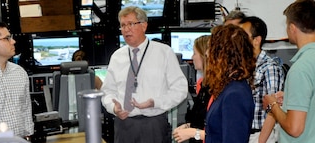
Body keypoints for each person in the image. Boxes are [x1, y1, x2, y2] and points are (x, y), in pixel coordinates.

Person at [101, 6, 188, 143]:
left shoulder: (164, 53)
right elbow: (107, 91)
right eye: (123, 25)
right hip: (123, 125)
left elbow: (180, 89)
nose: (126, 29)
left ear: (144, 25)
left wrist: (155, 102)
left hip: (153, 124)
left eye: (130, 24)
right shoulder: (117, 56)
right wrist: (113, 107)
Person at [263, 0, 315, 142]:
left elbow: (295, 128)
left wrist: (273, 105)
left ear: (292, 27)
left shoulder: (301, 68)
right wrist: (290, 98)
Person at [0, 22, 34, 138]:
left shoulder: (19, 72)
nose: (13, 41)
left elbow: (26, 109)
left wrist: (29, 135)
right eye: (7, 38)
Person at [204, 24, 256, 143]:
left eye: (210, 48)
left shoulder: (235, 94)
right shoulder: (229, 87)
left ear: (222, 55)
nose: (206, 54)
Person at [239, 16, 285, 143]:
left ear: (256, 40)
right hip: (244, 133)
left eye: (243, 35)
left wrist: (261, 141)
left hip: (260, 135)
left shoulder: (269, 68)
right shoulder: (244, 67)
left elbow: (273, 108)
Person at [173, 35, 211, 143]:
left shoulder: (219, 90)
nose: (192, 57)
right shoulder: (203, 84)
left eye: (195, 53)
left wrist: (193, 132)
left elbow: (218, 132)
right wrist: (189, 126)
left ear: (205, 55)